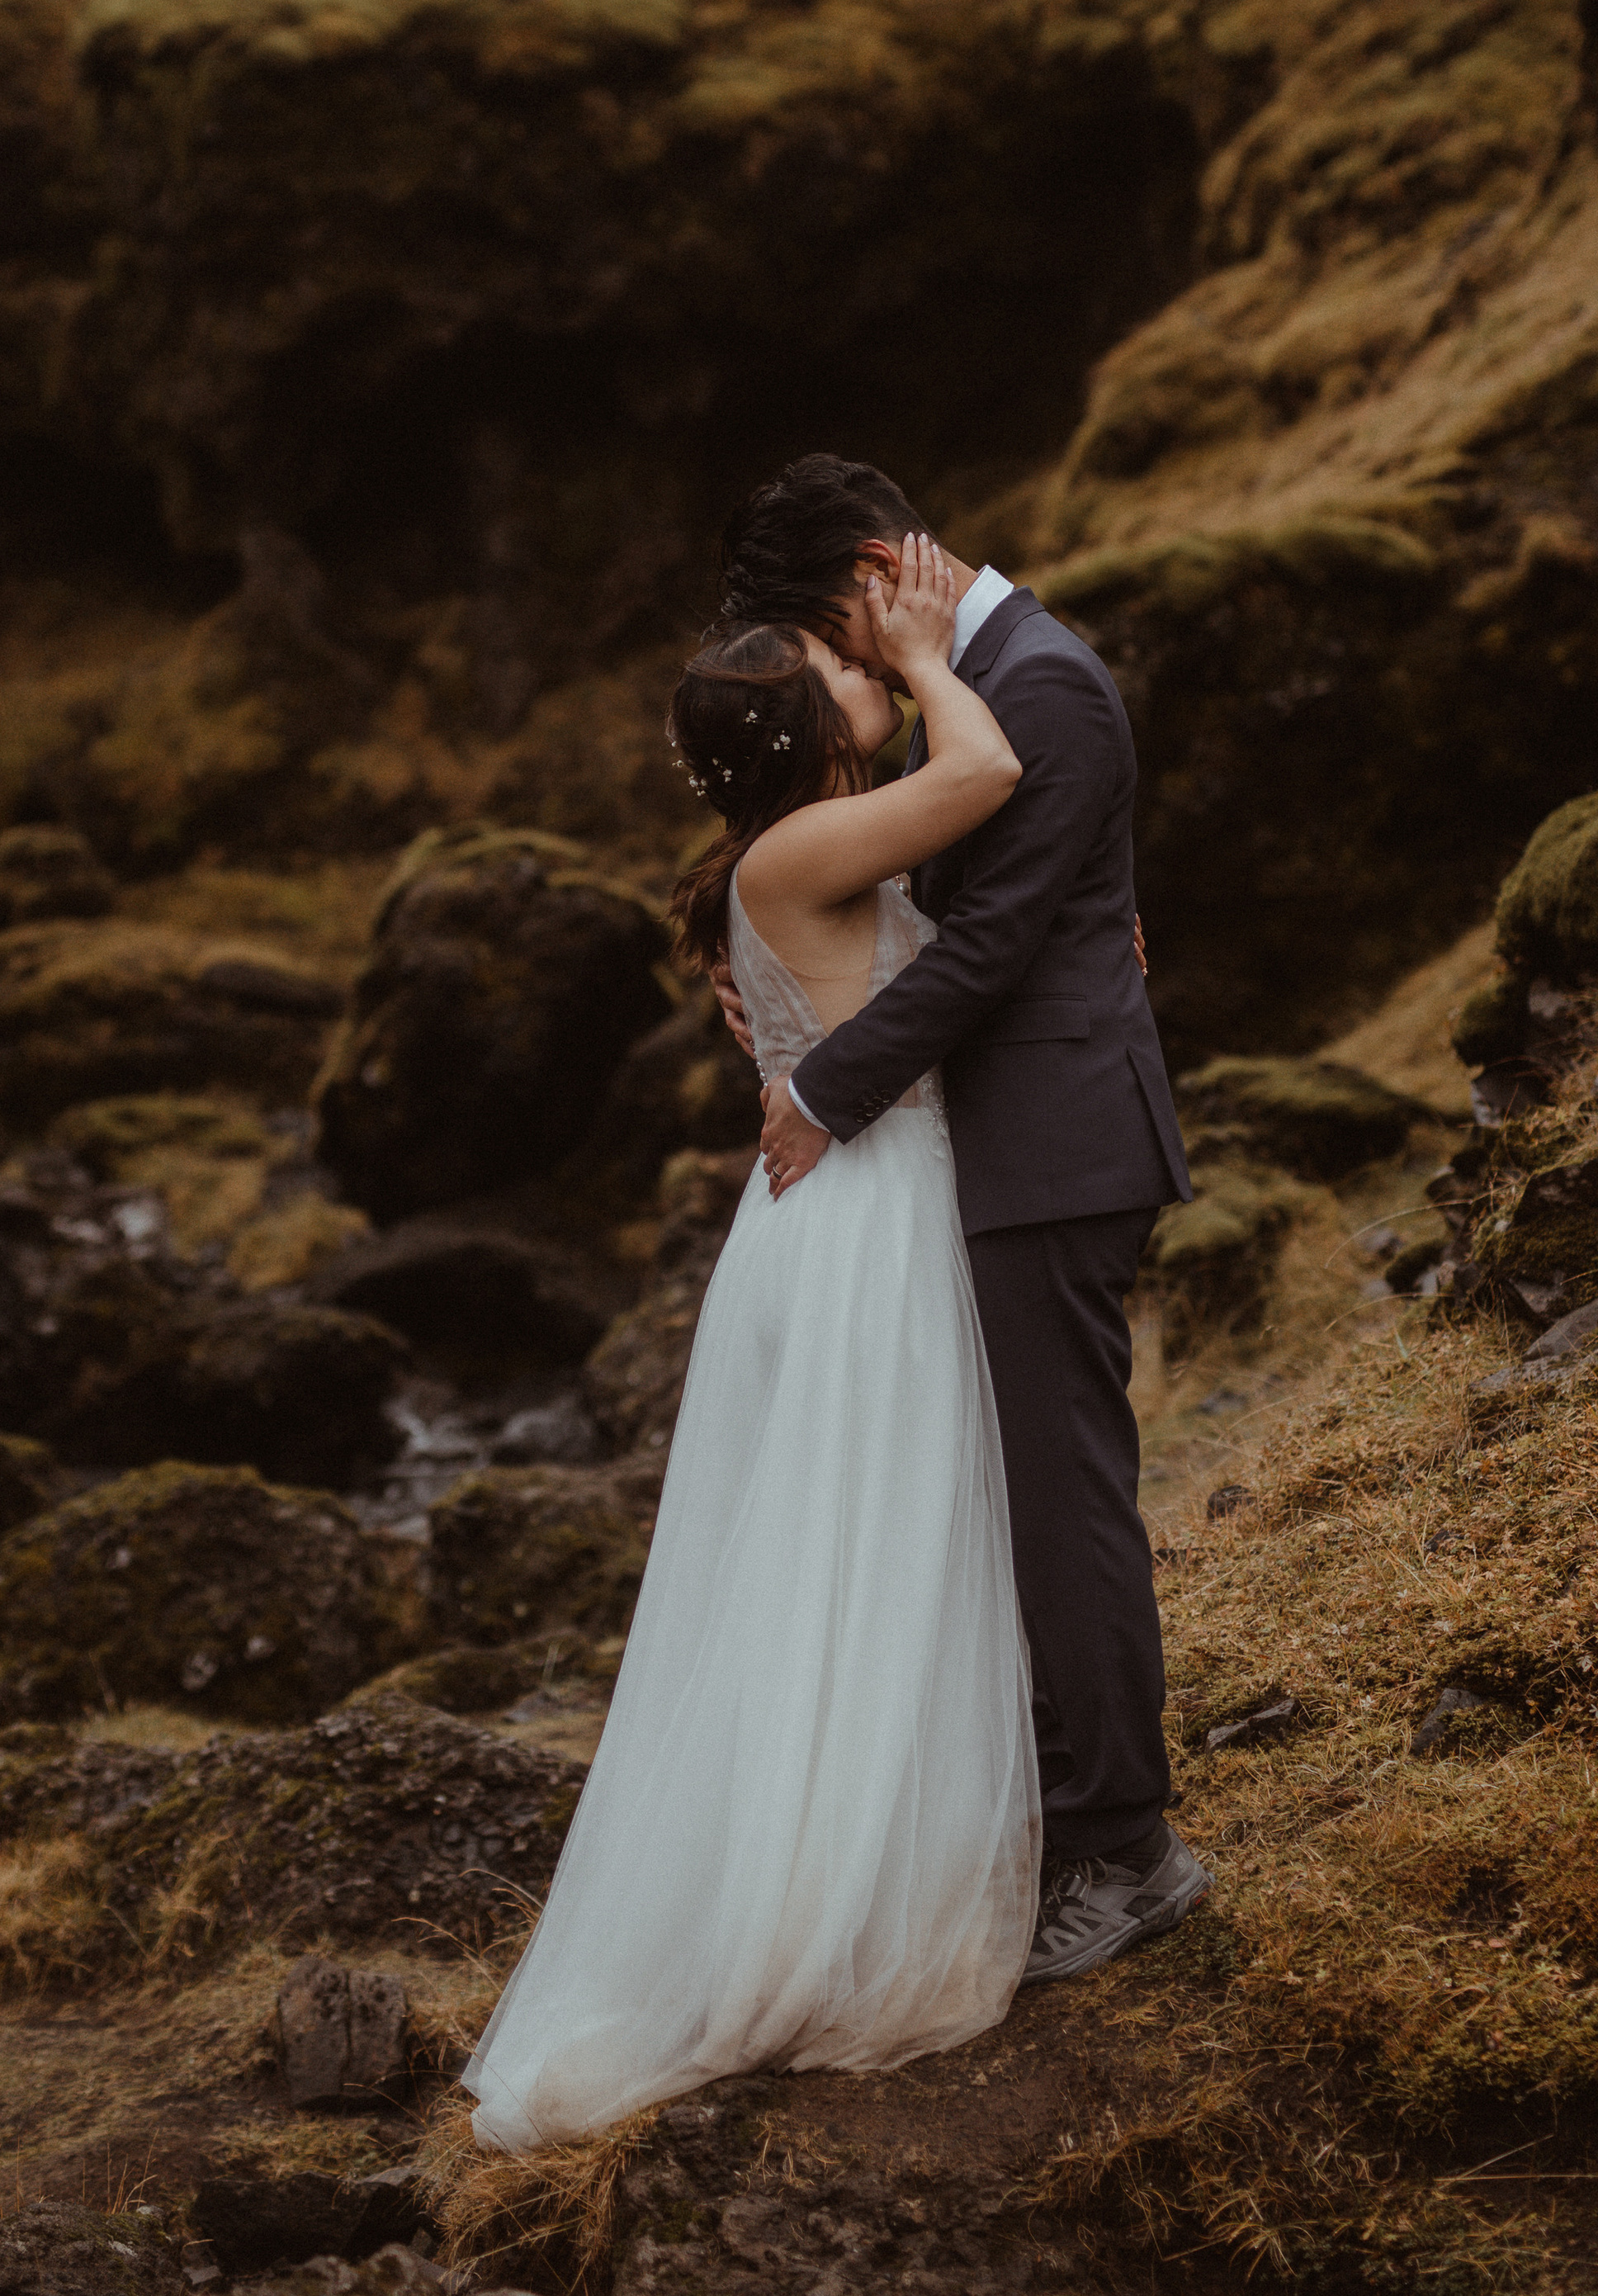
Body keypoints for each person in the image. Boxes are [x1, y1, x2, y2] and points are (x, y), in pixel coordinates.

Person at [463, 535, 1042, 2151]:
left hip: (841, 1204)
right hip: (864, 1221)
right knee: (866, 1558)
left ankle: (856, 1870)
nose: (862, 671)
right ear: (807, 736)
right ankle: (826, 1914)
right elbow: (986, 765)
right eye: (838, 675)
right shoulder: (797, 852)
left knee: (857, 1560)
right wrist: (933, 652)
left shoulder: (798, 852)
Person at [719, 453, 1204, 1988]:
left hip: (1051, 1144)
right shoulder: (974, 684)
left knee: (1063, 1506)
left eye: (826, 635)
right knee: (1014, 1501)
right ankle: (1066, 1807)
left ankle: (1130, 1848)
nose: (834, 674)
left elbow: (992, 942)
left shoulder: (1033, 686)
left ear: (877, 571)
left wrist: (825, 1084)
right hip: (1005, 1140)